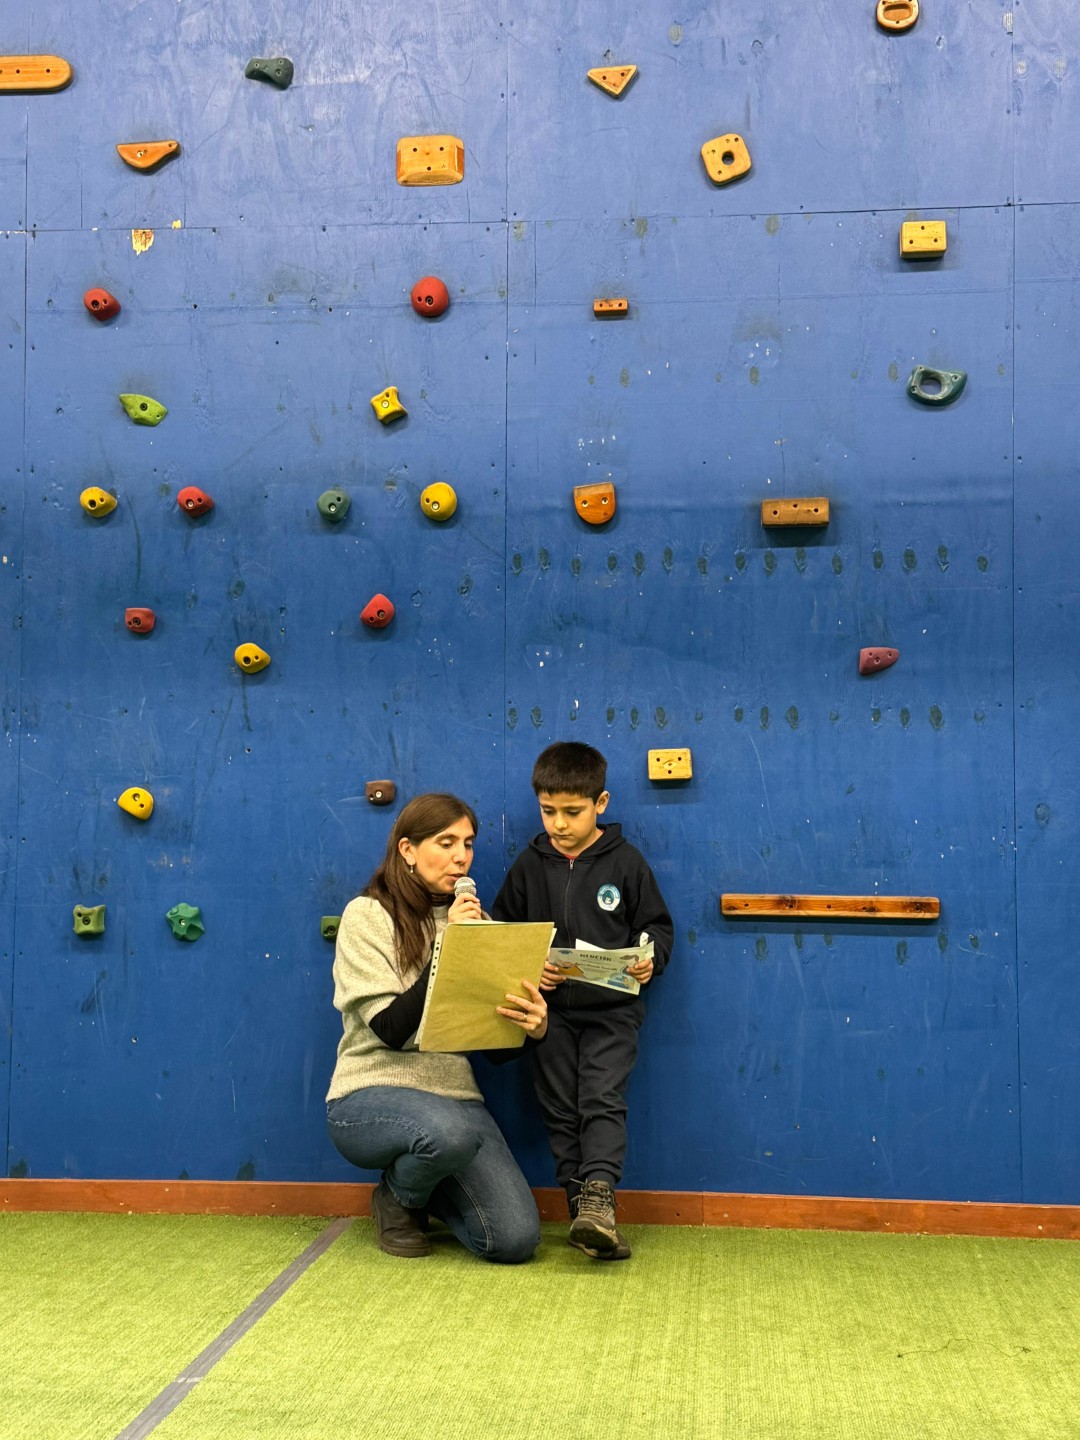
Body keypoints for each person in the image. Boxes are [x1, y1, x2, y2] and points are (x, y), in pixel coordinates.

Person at [326, 792, 548, 1262]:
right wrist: (449, 945)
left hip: (455, 1101)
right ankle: (398, 1199)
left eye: (467, 844)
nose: (461, 856)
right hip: (370, 1093)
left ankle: (429, 1183)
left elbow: (493, 1048)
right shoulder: (366, 916)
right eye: (446, 843)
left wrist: (532, 1029)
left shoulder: (476, 923)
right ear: (408, 850)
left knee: (514, 1239)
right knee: (448, 1132)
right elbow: (389, 1030)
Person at [492, 742, 674, 1262]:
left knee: (601, 1100)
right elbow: (504, 935)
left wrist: (649, 958)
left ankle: (599, 1199)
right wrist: (531, 967)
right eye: (548, 811)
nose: (559, 824)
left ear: (601, 803)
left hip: (613, 1013)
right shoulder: (529, 865)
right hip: (548, 1015)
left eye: (572, 811)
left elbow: (656, 928)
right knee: (558, 1108)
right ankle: (584, 1216)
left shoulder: (626, 862)